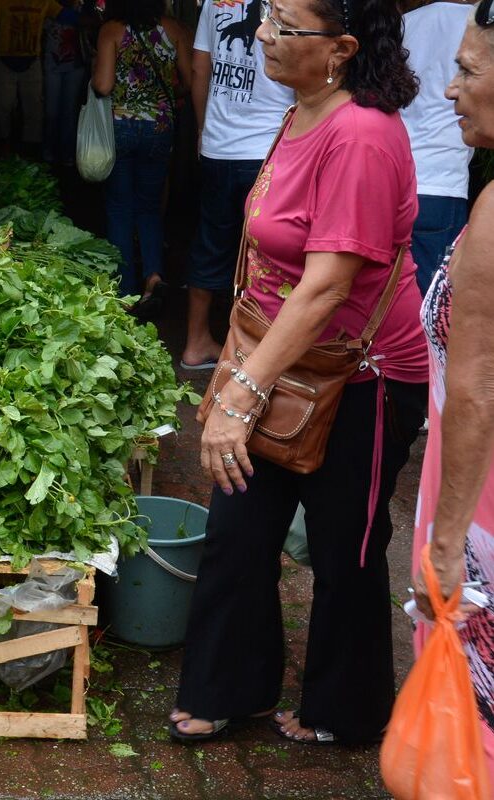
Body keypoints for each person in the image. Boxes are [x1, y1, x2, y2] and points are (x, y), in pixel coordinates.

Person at [169, 0, 428, 745]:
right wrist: (245, 366)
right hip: (285, 354)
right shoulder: (302, 111)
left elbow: (326, 286)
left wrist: (241, 393)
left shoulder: (362, 137)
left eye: (285, 25)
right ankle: (232, 686)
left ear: (341, 49)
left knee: (347, 546)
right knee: (239, 521)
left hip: (363, 377)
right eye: (267, 18)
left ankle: (345, 710)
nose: (262, 35)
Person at [411, 1, 494, 782]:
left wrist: (445, 541)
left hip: (480, 509)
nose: (449, 90)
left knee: (473, 730)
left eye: (467, 71)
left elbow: (474, 395)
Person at [180, 0, 294, 370]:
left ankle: (196, 342)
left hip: (218, 147)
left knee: (211, 240)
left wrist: (203, 129)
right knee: (266, 253)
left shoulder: (214, 2)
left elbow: (201, 66)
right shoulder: (290, 5)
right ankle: (254, 351)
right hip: (268, 149)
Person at [90, 0, 192, 302]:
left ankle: (125, 290)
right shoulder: (174, 29)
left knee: (120, 208)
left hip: (120, 126)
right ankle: (154, 276)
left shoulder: (112, 30)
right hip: (160, 128)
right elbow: (189, 81)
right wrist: (159, 98)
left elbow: (104, 85)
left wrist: (96, 75)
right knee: (149, 208)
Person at [399, 0, 474, 296]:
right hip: (443, 181)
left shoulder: (404, 23)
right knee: (433, 301)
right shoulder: (477, 24)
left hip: (397, 174)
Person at [0, 0, 71, 154]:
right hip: (6, 60)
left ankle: (30, 151)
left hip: (31, 61)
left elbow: (66, 15)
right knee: (2, 108)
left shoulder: (44, 2)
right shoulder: (1, 2)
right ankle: (3, 147)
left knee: (34, 110)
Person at [42, 2, 86, 165]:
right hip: (53, 64)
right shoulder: (49, 5)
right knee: (51, 111)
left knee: (68, 111)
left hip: (74, 65)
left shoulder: (82, 8)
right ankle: (50, 148)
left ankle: (65, 151)